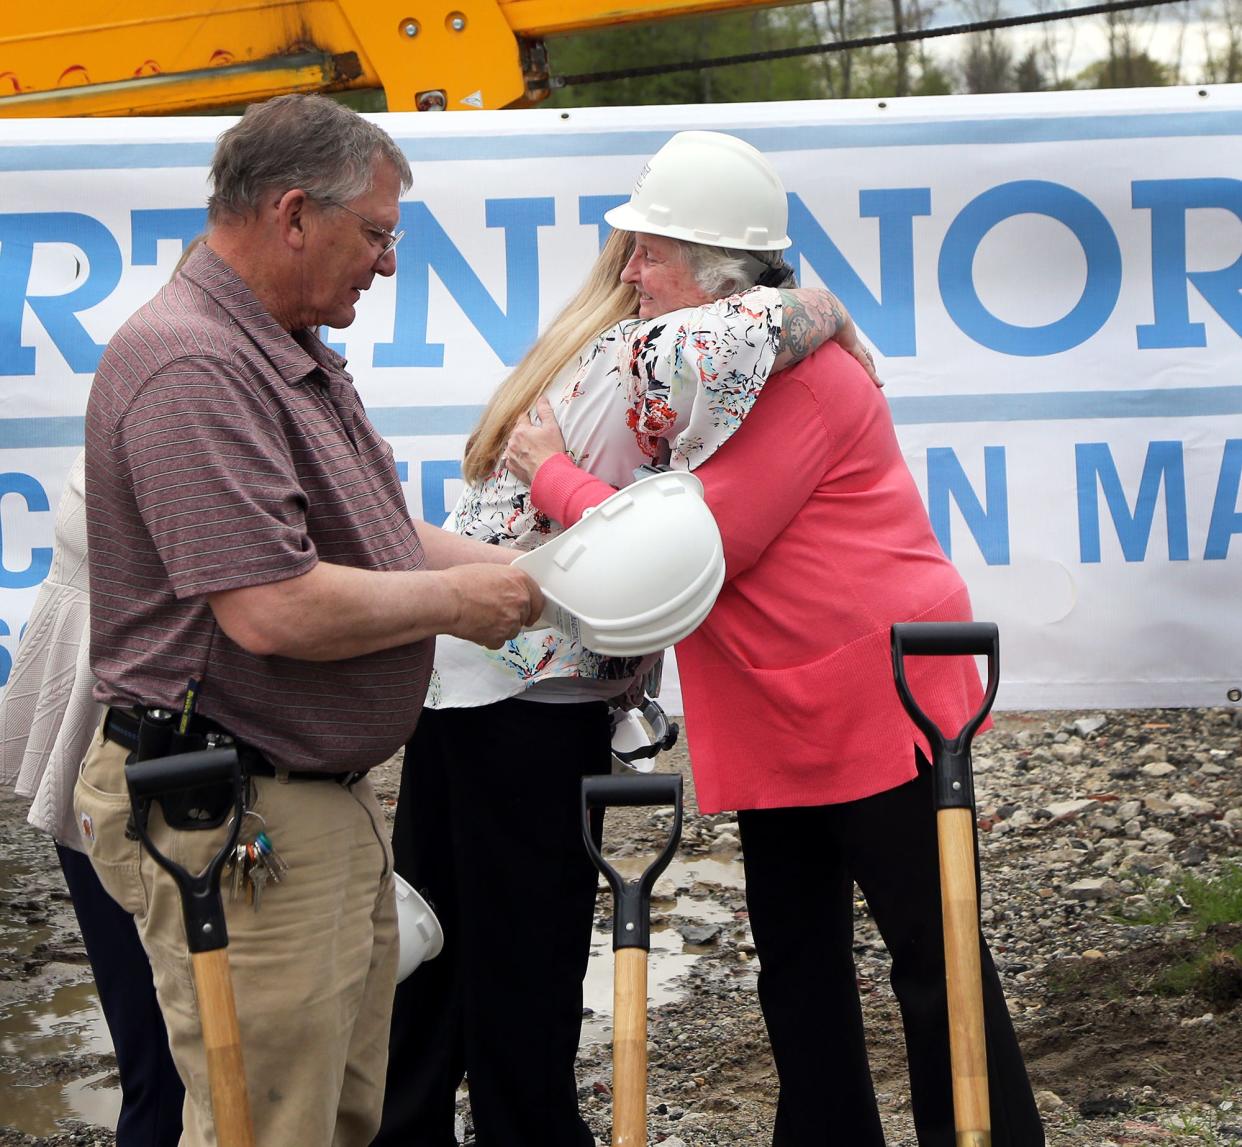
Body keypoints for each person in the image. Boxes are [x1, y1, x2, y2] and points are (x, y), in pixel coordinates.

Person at [504, 131, 1045, 1147]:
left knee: (933, 956)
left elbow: (698, 546)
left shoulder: (793, 380)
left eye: (650, 253)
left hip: (876, 695)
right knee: (797, 960)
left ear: (715, 271)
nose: (629, 274)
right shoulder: (712, 372)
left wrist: (551, 476)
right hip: (780, 699)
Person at [73, 93, 542, 1147]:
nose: (385, 263)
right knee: (268, 1124)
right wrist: (470, 603)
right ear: (293, 215)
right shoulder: (194, 365)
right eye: (375, 234)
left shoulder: (281, 346)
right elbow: (273, 607)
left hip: (291, 801)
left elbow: (373, 538)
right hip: (230, 807)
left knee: (330, 1114)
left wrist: (533, 572)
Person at [376, 196, 878, 1143]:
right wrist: (829, 313)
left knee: (435, 947)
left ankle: (407, 1129)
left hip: (468, 682)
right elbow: (641, 546)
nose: (636, 272)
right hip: (534, 688)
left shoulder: (576, 347)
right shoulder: (639, 357)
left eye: (650, 253)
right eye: (637, 254)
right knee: (525, 953)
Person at [0, 448, 184, 1146]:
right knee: (163, 1066)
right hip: (127, 742)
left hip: (134, 736)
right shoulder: (174, 381)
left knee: (173, 1063)